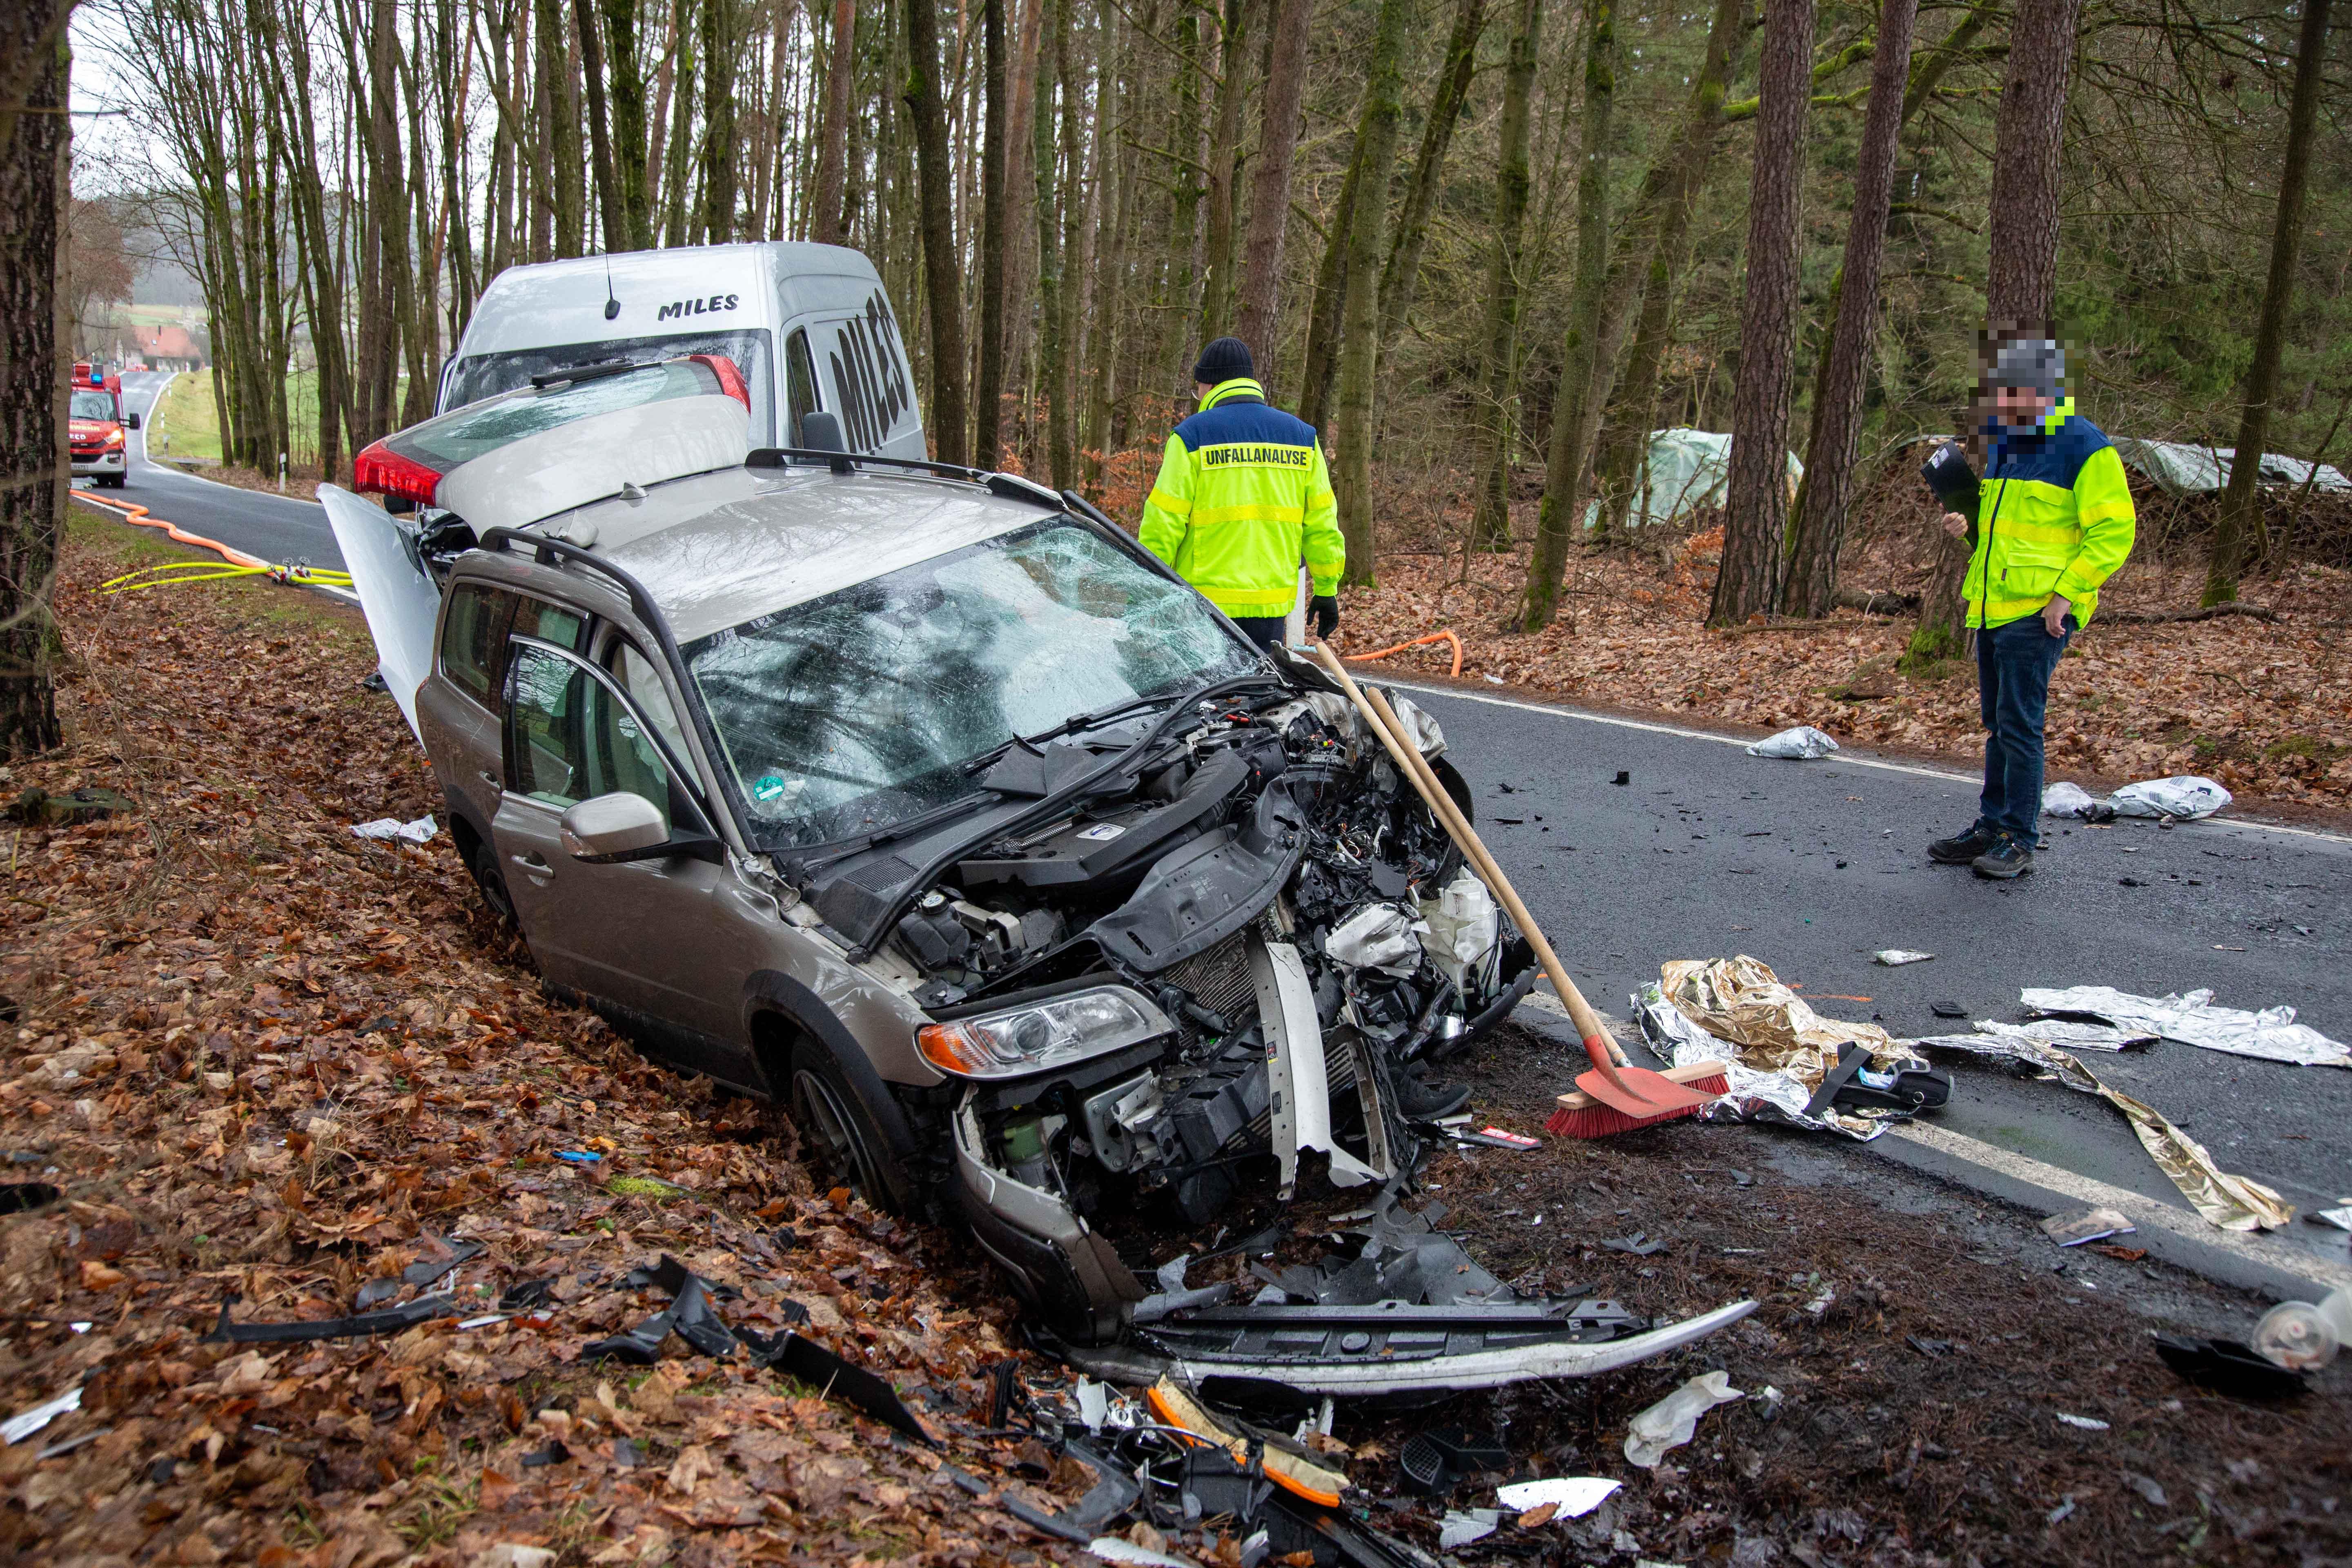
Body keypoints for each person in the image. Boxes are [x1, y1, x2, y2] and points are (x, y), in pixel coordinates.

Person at [1929, 330, 2136, 880]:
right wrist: (1966, 526)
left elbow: (2115, 530)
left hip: (2040, 610)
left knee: (2020, 726)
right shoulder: (2007, 444)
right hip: (1995, 606)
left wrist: (2068, 594)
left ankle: (2018, 838)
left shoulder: (2083, 445)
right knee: (1999, 725)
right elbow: (2005, 535)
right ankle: (1991, 826)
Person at [1139, 338, 1345, 657]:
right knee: (1262, 699)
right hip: (1270, 607)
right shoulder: (1302, 438)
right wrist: (1327, 588)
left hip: (1205, 604)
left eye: (1198, 390)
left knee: (1207, 701)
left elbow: (1163, 522)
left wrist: (1145, 591)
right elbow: (1321, 521)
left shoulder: (1192, 436)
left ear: (1209, 385)